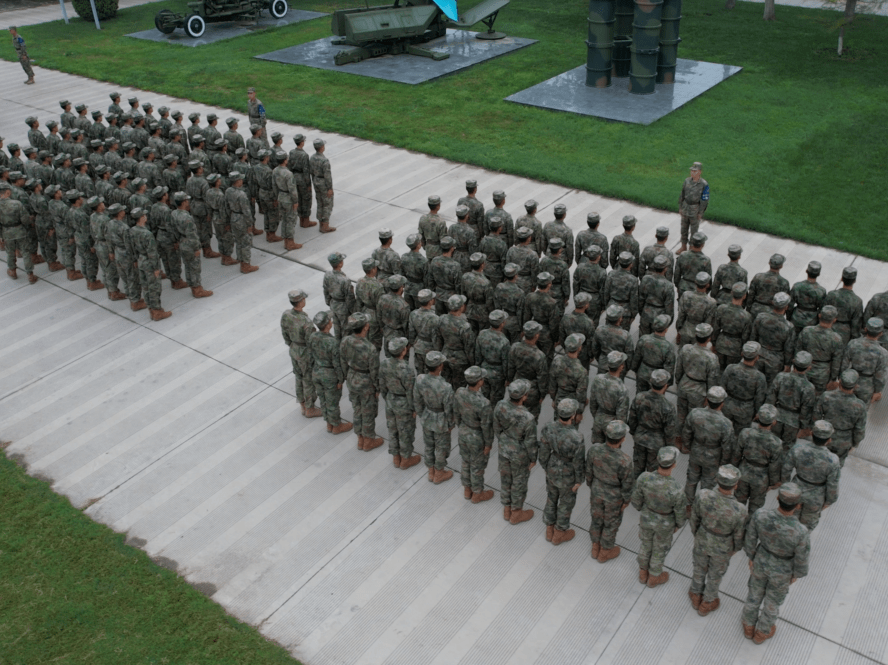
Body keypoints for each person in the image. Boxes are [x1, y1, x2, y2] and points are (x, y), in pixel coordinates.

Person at [741, 483, 810, 645]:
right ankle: (762, 632)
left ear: (778, 498)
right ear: (798, 505)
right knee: (773, 602)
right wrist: (796, 575)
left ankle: (748, 625)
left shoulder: (760, 515)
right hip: (783, 571)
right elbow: (802, 559)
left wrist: (751, 556)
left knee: (754, 594)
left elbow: (750, 539)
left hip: (761, 560)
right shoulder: (801, 531)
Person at [688, 464, 747, 616]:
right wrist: (734, 549)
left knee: (699, 567)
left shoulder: (703, 495)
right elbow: (739, 535)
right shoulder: (739, 509)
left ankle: (695, 594)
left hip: (703, 537)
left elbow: (694, 518)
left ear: (717, 479)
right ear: (736, 484)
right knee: (715, 574)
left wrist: (698, 534)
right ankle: (707, 602)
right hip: (723, 546)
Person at [631, 446, 688, 587]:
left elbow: (636, 501)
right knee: (659, 550)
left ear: (657, 461)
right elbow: (681, 513)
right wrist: (678, 525)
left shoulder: (644, 478)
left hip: (646, 517)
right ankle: (654, 577)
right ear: (674, 464)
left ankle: (642, 573)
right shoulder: (676, 488)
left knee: (645, 544)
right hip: (665, 523)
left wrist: (643, 510)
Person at [539, 398, 586, 545]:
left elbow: (544, 450)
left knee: (551, 498)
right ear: (573, 416)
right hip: (568, 473)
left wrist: (546, 466)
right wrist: (579, 480)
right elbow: (578, 462)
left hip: (552, 466)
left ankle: (549, 530)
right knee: (566, 503)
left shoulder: (548, 427)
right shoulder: (577, 437)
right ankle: (559, 534)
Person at [586, 419, 633, 560]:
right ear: (623, 439)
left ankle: (595, 545)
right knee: (611, 522)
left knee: (596, 517)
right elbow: (627, 483)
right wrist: (626, 500)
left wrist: (592, 485)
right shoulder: (624, 460)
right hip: (614, 496)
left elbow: (588, 471)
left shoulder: (594, 450)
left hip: (596, 490)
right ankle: (605, 551)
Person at [781, 420, 840, 531]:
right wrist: (829, 501)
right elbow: (833, 484)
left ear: (812, 434)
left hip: (795, 490)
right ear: (829, 440)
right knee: (806, 527)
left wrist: (786, 488)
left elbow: (786, 469)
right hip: (816, 497)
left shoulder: (797, 449)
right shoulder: (833, 460)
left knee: (788, 522)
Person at [494, 379, 539, 525]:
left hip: (504, 447)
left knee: (505, 479)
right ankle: (517, 513)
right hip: (519, 454)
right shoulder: (528, 417)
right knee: (518, 482)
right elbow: (530, 441)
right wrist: (533, 458)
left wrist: (503, 439)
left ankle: (507, 509)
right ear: (524, 396)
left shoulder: (500, 405)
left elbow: (496, 426)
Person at [683, 386, 734, 507]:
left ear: (707, 399)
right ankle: (701, 507)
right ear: (722, 403)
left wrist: (690, 447)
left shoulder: (695, 413)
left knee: (691, 480)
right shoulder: (726, 424)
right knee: (707, 485)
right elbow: (727, 447)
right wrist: (723, 463)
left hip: (696, 450)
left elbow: (686, 433)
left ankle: (687, 505)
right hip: (713, 457)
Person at [341, 312, 384, 452]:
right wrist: (377, 388)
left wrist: (346, 375)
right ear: (365, 327)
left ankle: (360, 438)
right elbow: (374, 372)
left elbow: (342, 360)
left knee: (357, 409)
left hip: (352, 377)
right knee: (368, 412)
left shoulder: (345, 341)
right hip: (366, 383)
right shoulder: (370, 348)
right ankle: (369, 440)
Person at [733, 404, 783, 518]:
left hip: (743, 472)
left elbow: (736, 454)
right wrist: (772, 483)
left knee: (737, 505)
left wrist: (734, 470)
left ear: (758, 417)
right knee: (755, 509)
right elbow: (774, 466)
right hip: (762, 479)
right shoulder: (776, 442)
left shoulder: (745, 433)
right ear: (774, 422)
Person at [414, 350, 456, 483]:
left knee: (429, 445)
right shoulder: (446, 387)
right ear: (439, 366)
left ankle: (430, 471)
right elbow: (449, 409)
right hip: (441, 420)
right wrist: (451, 424)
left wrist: (422, 414)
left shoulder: (420, 379)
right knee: (441, 447)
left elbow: (417, 399)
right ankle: (439, 473)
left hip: (427, 416)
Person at [454, 366, 495, 502]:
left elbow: (456, 412)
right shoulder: (484, 403)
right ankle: (477, 493)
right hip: (477, 436)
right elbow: (486, 426)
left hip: (463, 431)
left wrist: (461, 426)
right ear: (479, 382)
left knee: (466, 461)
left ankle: (467, 489)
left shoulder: (459, 392)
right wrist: (488, 444)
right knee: (477, 465)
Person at [308, 310, 353, 436]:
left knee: (323, 400)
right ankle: (337, 426)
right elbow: (337, 364)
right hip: (329, 375)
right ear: (328, 324)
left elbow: (310, 356)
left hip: (317, 372)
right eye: (330, 320)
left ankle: (329, 423)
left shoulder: (312, 336)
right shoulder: (332, 342)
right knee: (332, 402)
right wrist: (340, 379)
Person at [675, 323, 721, 440]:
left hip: (684, 384)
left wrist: (678, 383)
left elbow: (679, 369)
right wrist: (709, 397)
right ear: (709, 338)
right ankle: (687, 443)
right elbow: (712, 379)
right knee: (694, 418)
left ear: (696, 335)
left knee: (680, 415)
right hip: (699, 391)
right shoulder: (711, 358)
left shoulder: (686, 349)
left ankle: (678, 438)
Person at [767, 351, 816, 458]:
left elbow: (771, 397)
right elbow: (806, 408)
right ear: (809, 367)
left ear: (793, 362)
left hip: (777, 415)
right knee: (787, 448)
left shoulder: (780, 376)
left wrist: (769, 413)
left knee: (771, 443)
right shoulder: (809, 387)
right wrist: (803, 425)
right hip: (793, 421)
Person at [628, 369, 676, 477]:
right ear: (665, 386)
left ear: (650, 382)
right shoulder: (668, 407)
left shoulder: (640, 397)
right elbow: (670, 431)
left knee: (637, 470)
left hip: (640, 437)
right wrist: (669, 448)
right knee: (652, 473)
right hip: (656, 443)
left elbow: (632, 418)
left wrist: (634, 433)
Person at [379, 337, 419, 469]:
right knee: (405, 431)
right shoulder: (406, 369)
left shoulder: (384, 364)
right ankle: (406, 459)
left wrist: (388, 398)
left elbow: (382, 385)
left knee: (393, 429)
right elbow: (410, 392)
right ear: (403, 351)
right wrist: (414, 409)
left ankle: (396, 457)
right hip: (404, 403)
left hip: (390, 399)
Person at [281, 289, 321, 417]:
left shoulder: (286, 315)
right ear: (301, 301)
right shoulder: (306, 322)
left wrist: (291, 344)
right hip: (305, 353)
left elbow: (285, 333)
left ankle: (303, 404)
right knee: (308, 380)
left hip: (294, 349)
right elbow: (312, 342)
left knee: (298, 377)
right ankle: (310, 408)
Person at [814, 369, 867, 466]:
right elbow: (859, 429)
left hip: (825, 436)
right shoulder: (860, 406)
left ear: (840, 382)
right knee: (836, 466)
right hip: (844, 441)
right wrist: (855, 443)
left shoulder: (826, 396)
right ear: (855, 386)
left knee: (819, 462)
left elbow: (816, 416)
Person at [129, 207, 171, 321]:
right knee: (154, 287)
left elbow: (132, 248)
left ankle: (151, 310)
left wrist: (135, 260)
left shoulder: (132, 230)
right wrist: (156, 268)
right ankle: (157, 311)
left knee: (146, 287)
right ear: (142, 217)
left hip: (141, 260)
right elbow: (152, 252)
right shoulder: (147, 234)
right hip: (149, 263)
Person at [170, 192, 213, 299]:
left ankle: (192, 286)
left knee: (188, 266)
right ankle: (197, 289)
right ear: (184, 202)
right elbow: (192, 234)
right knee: (195, 267)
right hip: (189, 244)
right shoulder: (187, 217)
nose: (188, 202)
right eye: (186, 200)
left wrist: (177, 240)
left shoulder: (174, 214)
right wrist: (196, 248)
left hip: (182, 242)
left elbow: (173, 230)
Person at [721, 341, 768, 434]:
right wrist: (756, 413)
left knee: (723, 431)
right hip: (745, 410)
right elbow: (759, 398)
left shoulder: (730, 368)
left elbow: (722, 387)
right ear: (757, 357)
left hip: (727, 405)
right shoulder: (759, 377)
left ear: (742, 354)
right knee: (740, 435)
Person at [795, 305, 843, 394]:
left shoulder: (806, 331)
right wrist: (833, 378)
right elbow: (837, 361)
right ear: (834, 320)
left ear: (819, 315)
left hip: (804, 368)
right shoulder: (836, 338)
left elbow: (798, 350)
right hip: (823, 373)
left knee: (799, 393)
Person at [841, 317, 888, 405]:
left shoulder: (853, 343)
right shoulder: (883, 353)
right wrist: (877, 391)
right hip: (867, 386)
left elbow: (844, 364)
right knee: (860, 411)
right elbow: (880, 375)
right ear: (881, 333)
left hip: (850, 380)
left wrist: (842, 380)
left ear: (865, 329)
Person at [508, 321, 549, 419]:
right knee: (530, 418)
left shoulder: (515, 347)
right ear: (536, 335)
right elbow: (542, 378)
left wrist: (509, 380)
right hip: (531, 390)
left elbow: (510, 366)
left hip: (517, 383)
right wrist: (542, 394)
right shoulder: (539, 356)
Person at [589, 351, 631, 444]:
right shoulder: (622, 389)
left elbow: (593, 403)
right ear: (621, 366)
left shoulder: (598, 379)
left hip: (598, 418)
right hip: (613, 425)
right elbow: (621, 416)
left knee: (596, 451)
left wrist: (597, 416)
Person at [0, 182, 36, 282]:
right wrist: (28, 226)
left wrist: (1, 235)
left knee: (10, 253)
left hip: (6, 232)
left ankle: (12, 271)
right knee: (25, 252)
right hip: (20, 230)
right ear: (7, 192)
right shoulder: (17, 204)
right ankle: (30, 275)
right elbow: (25, 219)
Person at [711, 282, 753, 369]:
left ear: (732, 293)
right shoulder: (746, 316)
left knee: (717, 369)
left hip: (720, 344)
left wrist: (714, 343)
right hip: (735, 349)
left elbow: (716, 328)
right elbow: (745, 337)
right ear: (744, 296)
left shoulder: (721, 309)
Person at [549, 334, 589, 421]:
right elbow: (581, 394)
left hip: (559, 398)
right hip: (572, 404)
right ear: (579, 348)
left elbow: (552, 382)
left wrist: (554, 399)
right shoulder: (581, 371)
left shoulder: (557, 361)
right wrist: (579, 412)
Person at [439, 294, 476, 390]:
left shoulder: (442, 319)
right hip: (460, 360)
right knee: (458, 387)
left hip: (445, 354)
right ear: (461, 307)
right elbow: (469, 347)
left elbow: (438, 338)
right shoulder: (464, 326)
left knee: (445, 385)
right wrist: (472, 364)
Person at [225, 171, 258, 273]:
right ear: (237, 181)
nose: (242, 181)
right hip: (242, 219)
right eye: (240, 179)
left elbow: (226, 207)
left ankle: (240, 259)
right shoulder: (241, 194)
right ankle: (246, 265)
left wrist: (228, 220)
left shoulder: (228, 191)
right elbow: (247, 211)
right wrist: (250, 224)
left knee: (238, 240)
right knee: (246, 242)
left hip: (233, 217)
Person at [475, 309, 511, 405]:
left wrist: (478, 369)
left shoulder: (482, 334)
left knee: (484, 397)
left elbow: (477, 354)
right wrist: (507, 378)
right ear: (502, 324)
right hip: (498, 374)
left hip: (484, 369)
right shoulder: (504, 341)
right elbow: (505, 362)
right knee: (496, 400)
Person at [825, 266, 864, 346]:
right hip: (845, 333)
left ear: (842, 278)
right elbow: (856, 324)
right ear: (854, 281)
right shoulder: (857, 301)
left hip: (828, 327)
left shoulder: (831, 295)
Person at [787, 261, 826, 337]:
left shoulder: (797, 286)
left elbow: (789, 305)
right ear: (818, 274)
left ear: (806, 271)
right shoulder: (821, 291)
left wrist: (789, 318)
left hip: (796, 318)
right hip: (812, 321)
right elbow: (822, 310)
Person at [638, 254, 674, 336]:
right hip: (659, 318)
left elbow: (640, 299)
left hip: (646, 313)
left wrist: (642, 312)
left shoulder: (645, 279)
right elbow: (669, 308)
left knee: (643, 339)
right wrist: (667, 323)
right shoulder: (668, 285)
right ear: (665, 269)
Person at [676, 272, 716, 346]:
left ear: (695, 282)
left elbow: (681, 315)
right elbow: (708, 321)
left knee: (683, 352)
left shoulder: (686, 295)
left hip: (686, 328)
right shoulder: (711, 302)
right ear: (707, 285)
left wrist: (679, 330)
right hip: (699, 333)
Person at [560, 293, 597, 372]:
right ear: (586, 306)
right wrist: (591, 355)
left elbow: (562, 336)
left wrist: (567, 348)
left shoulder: (565, 318)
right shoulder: (588, 322)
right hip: (583, 354)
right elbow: (591, 341)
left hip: (569, 350)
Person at [408, 289, 442, 375]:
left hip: (418, 345)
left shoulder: (413, 314)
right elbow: (436, 338)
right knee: (429, 374)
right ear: (430, 301)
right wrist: (438, 351)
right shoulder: (435, 318)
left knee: (419, 371)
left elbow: (411, 332)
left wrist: (413, 343)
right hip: (430, 349)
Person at [272, 151, 301, 251]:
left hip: (280, 196)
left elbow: (274, 186)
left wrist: (277, 197)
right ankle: (290, 243)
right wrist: (295, 201)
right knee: (291, 221)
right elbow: (292, 189)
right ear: (285, 160)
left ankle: (285, 242)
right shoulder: (288, 174)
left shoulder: (275, 170)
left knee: (284, 220)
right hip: (288, 199)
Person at [677, 162, 709, 254]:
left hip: (695, 209)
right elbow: (682, 194)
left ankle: (691, 248)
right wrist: (680, 207)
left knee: (694, 231)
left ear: (699, 172)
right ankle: (683, 246)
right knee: (683, 229)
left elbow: (704, 200)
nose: (692, 173)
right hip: (686, 207)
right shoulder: (687, 181)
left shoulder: (704, 184)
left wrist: (700, 213)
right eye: (692, 171)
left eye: (695, 171)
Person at [603, 251, 639, 332]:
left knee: (608, 332)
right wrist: (633, 314)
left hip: (611, 308)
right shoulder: (633, 279)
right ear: (631, 264)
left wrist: (607, 306)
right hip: (625, 312)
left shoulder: (611, 274)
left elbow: (606, 292)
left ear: (619, 262)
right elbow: (634, 299)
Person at [323, 252, 355, 340]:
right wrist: (353, 311)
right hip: (343, 308)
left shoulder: (327, 275)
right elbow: (350, 298)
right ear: (340, 264)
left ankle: (337, 344)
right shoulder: (345, 280)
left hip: (333, 305)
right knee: (346, 331)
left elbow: (325, 290)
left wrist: (329, 302)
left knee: (337, 329)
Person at [573, 244, 607, 325]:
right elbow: (603, 291)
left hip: (581, 296)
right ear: (599, 257)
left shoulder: (580, 267)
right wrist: (603, 306)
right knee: (592, 324)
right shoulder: (602, 272)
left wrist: (576, 298)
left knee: (580, 322)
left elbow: (575, 284)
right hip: (594, 301)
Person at [747, 254, 790, 318]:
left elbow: (751, 294)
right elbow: (784, 302)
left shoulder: (758, 277)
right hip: (772, 313)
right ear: (781, 266)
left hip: (755, 309)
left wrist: (748, 309)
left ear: (769, 263)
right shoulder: (784, 282)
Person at [377, 275, 410, 357]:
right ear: (401, 287)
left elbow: (379, 315)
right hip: (399, 336)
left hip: (386, 331)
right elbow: (406, 326)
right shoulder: (403, 305)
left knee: (389, 358)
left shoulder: (382, 298)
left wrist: (382, 327)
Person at [462, 252, 494, 335]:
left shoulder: (465, 277)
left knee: (472, 333)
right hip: (482, 314)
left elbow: (463, 293)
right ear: (482, 265)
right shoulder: (486, 283)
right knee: (483, 335)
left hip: (470, 310)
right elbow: (489, 303)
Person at [356, 258, 384, 351]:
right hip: (374, 316)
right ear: (373, 270)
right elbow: (380, 307)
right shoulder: (377, 286)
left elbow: (358, 301)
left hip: (364, 312)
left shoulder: (360, 281)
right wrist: (382, 325)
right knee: (375, 343)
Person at [288, 134, 315, 228]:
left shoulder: (291, 152)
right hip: (302, 179)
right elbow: (306, 171)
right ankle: (306, 221)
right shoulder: (304, 155)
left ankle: (301, 220)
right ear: (302, 142)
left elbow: (289, 166)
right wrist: (308, 184)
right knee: (306, 199)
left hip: (294, 177)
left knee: (298, 198)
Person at [494, 263, 526, 343]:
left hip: (502, 319)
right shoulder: (520, 292)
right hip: (514, 322)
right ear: (516, 276)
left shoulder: (499, 287)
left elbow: (497, 305)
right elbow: (520, 312)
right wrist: (522, 328)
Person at [310, 138, 336, 233]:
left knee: (320, 202)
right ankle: (325, 226)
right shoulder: (324, 161)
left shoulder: (312, 157)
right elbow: (327, 176)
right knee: (327, 204)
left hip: (316, 181)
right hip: (323, 183)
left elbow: (311, 171)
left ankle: (321, 223)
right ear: (322, 147)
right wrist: (330, 188)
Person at [401, 233, 429, 310]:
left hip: (407, 288)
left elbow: (401, 273)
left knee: (409, 310)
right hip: (419, 290)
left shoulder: (404, 257)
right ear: (418, 245)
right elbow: (426, 278)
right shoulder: (423, 261)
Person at [418, 194, 446, 259]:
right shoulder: (441, 221)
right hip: (438, 250)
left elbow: (420, 235)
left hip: (428, 248)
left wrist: (425, 246)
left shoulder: (423, 218)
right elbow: (443, 240)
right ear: (438, 206)